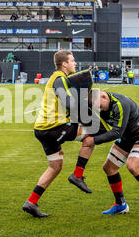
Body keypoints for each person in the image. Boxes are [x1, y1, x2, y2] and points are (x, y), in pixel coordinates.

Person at [23, 50, 95, 218]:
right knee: (90, 136)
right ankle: (77, 176)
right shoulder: (60, 79)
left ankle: (31, 202)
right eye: (73, 61)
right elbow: (68, 102)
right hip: (53, 128)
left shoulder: (57, 78)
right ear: (64, 64)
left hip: (42, 129)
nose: (75, 63)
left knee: (55, 166)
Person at [83, 89, 139, 215]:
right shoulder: (99, 105)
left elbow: (116, 133)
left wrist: (93, 140)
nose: (100, 110)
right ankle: (120, 204)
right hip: (126, 137)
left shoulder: (120, 104)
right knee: (109, 168)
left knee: (133, 166)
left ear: (104, 96)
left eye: (100, 107)